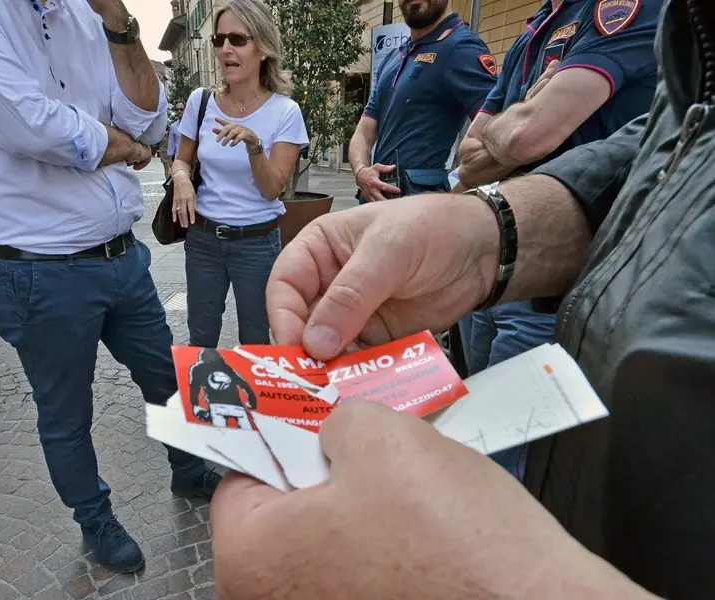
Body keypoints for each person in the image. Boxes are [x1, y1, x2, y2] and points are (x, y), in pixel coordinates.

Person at [209, 0, 715, 598]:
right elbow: (670, 142)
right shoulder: (538, 31)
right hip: (512, 299)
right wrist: (495, 229)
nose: (225, 50)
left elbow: (519, 136)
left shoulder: (602, 18)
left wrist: (499, 580)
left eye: (237, 37)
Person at [0, 0, 220, 574]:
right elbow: (34, 127)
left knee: (165, 375)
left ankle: (188, 468)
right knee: (66, 413)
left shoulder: (87, 15)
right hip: (38, 268)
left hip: (122, 254)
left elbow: (150, 123)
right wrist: (129, 149)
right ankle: (94, 516)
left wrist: (118, 23)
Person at [454, 0, 661, 478]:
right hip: (497, 261)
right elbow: (467, 160)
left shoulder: (623, 9)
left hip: (554, 285)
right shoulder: (535, 31)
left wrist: (514, 126)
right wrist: (526, 114)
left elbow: (527, 137)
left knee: (505, 463)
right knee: (474, 434)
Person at [169, 0, 308, 348]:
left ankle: (255, 403)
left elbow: (272, 189)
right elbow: (181, 161)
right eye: (219, 40)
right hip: (203, 240)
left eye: (237, 39)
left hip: (257, 244)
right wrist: (182, 178)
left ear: (262, 49)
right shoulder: (201, 102)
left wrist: (254, 145)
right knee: (201, 338)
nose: (225, 49)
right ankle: (205, 403)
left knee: (256, 341)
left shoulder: (285, 112)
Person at [349, 0, 497, 204]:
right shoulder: (395, 56)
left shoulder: (462, 47)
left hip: (422, 211)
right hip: (375, 204)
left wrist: (456, 195)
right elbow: (364, 132)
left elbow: (498, 135)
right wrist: (361, 171)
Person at [188, 348, 257, 430]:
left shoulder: (198, 369)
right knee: (249, 433)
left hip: (216, 405)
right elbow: (243, 384)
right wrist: (252, 401)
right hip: (236, 405)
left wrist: (195, 406)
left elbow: (194, 387)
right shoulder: (226, 367)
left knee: (220, 434)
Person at [166, 101, 185, 177]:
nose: (179, 111)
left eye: (181, 109)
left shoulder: (192, 125)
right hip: (178, 159)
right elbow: (171, 144)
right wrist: (170, 160)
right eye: (177, 109)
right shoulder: (173, 126)